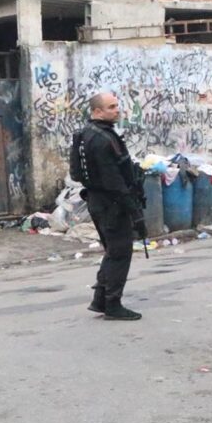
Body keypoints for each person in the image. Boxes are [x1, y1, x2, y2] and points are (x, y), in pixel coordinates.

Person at [71, 92, 146, 321]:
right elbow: (115, 181)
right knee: (120, 253)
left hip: (97, 200)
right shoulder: (103, 139)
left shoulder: (84, 135)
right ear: (97, 112)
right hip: (111, 203)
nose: (117, 110)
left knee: (113, 251)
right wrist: (135, 213)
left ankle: (100, 299)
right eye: (111, 107)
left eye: (117, 106)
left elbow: (76, 172)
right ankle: (113, 304)